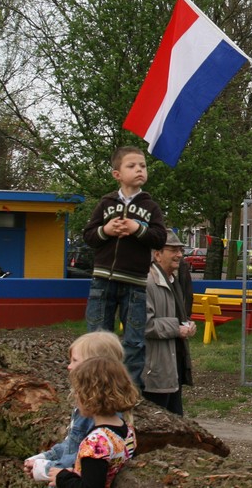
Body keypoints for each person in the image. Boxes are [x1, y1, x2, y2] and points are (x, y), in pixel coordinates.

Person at [84, 146, 168, 390]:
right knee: (98, 338)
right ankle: (96, 389)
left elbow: (159, 238)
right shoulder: (106, 203)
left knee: (134, 341)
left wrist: (137, 229)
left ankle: (131, 392)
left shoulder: (150, 206)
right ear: (117, 174)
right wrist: (106, 230)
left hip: (135, 284)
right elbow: (89, 236)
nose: (139, 170)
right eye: (132, 166)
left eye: (143, 166)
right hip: (103, 281)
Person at [24, 331, 126, 481]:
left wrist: (44, 468)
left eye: (74, 360)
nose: (69, 366)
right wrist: (46, 456)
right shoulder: (92, 406)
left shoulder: (98, 416)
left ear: (93, 366)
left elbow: (83, 458)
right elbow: (72, 443)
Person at [47, 355, 140, 488]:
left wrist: (61, 477)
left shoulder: (96, 443)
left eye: (77, 392)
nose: (75, 396)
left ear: (89, 396)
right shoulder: (128, 430)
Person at [142, 231, 195, 414]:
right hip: (155, 370)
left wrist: (187, 324)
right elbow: (144, 324)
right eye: (173, 250)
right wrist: (177, 329)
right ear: (157, 254)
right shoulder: (147, 283)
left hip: (172, 366)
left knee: (174, 420)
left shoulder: (173, 281)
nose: (179, 255)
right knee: (156, 420)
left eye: (180, 250)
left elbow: (175, 315)